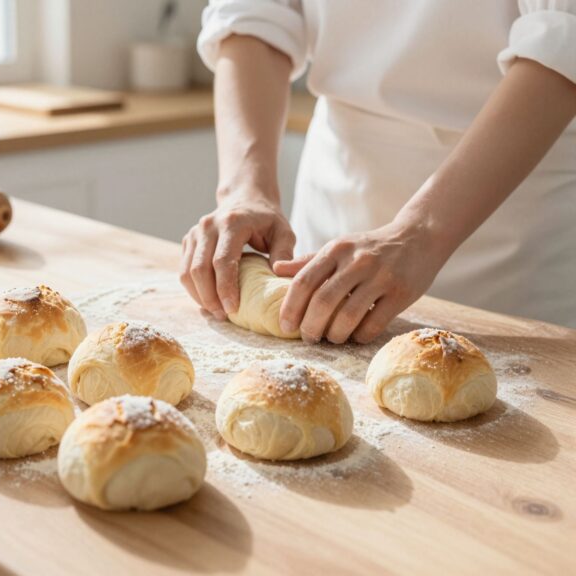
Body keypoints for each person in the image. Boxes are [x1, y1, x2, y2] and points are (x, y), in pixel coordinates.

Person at [179, 0, 576, 343]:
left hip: (513, 234)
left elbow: (563, 39)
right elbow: (253, 15)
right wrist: (245, 189)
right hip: (333, 202)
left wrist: (420, 234)